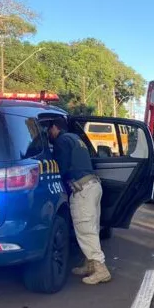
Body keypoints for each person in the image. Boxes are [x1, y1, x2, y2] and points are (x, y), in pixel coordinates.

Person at [47, 117, 111, 285]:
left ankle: (100, 269)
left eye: (49, 130)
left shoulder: (61, 141)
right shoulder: (76, 138)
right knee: (92, 228)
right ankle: (89, 264)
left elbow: (60, 167)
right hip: (93, 185)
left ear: (54, 127)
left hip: (82, 189)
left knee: (85, 229)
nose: (49, 134)